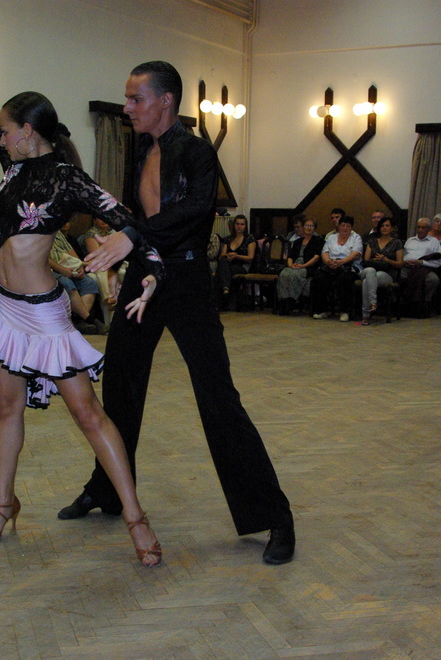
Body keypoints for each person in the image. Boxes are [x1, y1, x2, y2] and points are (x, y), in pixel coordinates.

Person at [0, 40, 164, 566]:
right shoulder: (12, 162)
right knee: (6, 407)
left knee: (88, 414)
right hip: (2, 309)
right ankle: (2, 505)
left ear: (28, 131)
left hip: (43, 313)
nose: (0, 137)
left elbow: (135, 225)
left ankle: (135, 517)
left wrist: (147, 271)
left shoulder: (69, 179)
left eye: (7, 131)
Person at [57, 60, 295, 565]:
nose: (127, 108)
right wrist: (125, 245)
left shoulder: (197, 151)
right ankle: (107, 489)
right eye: (126, 99)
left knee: (217, 397)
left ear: (166, 101)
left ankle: (274, 515)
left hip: (186, 282)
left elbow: (195, 210)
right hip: (146, 277)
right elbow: (141, 214)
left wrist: (132, 235)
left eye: (136, 99)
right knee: (120, 384)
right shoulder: (142, 148)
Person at [49, 223, 106, 334]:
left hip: (67, 267)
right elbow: (43, 259)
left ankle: (78, 321)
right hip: (48, 270)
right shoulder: (37, 233)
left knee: (89, 282)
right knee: (67, 283)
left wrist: (78, 265)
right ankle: (89, 319)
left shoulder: (57, 232)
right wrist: (62, 270)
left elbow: (70, 251)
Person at [311, 216, 362, 321]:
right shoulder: (331, 238)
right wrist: (328, 262)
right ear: (339, 226)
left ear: (351, 228)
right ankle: (321, 310)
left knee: (344, 279)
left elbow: (355, 254)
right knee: (319, 277)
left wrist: (341, 262)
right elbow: (324, 253)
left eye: (348, 226)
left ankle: (344, 311)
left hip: (348, 266)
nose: (345, 228)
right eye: (343, 225)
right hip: (331, 265)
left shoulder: (356, 237)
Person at [79, 217, 126, 324]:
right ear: (94, 221)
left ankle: (119, 319)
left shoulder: (111, 233)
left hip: (112, 262)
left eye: (105, 218)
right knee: (106, 270)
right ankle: (110, 298)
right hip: (95, 265)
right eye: (100, 219)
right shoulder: (91, 234)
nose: (104, 221)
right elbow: (98, 256)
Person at [359, 216, 404, 325]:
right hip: (369, 270)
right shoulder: (372, 241)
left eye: (387, 225)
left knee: (366, 282)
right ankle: (373, 302)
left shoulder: (397, 243)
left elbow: (400, 263)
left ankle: (365, 315)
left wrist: (387, 260)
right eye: (382, 226)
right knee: (370, 271)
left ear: (392, 228)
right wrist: (377, 260)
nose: (384, 228)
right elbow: (366, 260)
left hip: (387, 273)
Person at [276, 214, 323, 315]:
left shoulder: (318, 240)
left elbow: (316, 257)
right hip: (295, 265)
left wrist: (303, 266)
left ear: (314, 228)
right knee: (284, 273)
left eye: (311, 226)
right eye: (307, 225)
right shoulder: (297, 242)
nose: (309, 228)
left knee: (296, 274)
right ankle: (284, 301)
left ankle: (292, 301)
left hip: (309, 266)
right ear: (303, 226)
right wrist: (291, 265)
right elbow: (290, 256)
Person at [399, 217, 441, 316]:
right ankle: (402, 304)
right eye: (418, 227)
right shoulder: (410, 240)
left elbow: (439, 261)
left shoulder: (434, 242)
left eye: (423, 228)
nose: (420, 230)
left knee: (433, 280)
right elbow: (402, 255)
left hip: (424, 269)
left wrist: (421, 262)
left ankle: (425, 303)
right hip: (406, 267)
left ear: (428, 229)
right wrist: (404, 262)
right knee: (397, 277)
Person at [214, 214, 256, 305]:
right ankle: (225, 290)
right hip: (228, 264)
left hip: (242, 265)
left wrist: (237, 256)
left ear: (245, 226)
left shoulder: (249, 239)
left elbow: (250, 258)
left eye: (242, 224)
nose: (239, 226)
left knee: (220, 271)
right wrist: (228, 255)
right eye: (237, 224)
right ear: (234, 225)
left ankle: (223, 293)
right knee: (223, 262)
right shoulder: (228, 239)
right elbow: (222, 255)